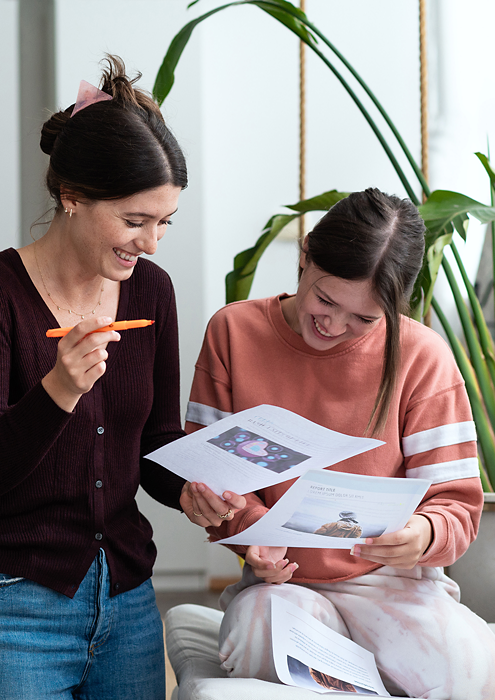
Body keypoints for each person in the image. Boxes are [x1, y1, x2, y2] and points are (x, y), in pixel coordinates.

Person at [0, 55, 217, 700]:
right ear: (73, 197)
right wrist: (59, 390)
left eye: (164, 221)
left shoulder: (151, 291)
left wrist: (192, 491)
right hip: (4, 599)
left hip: (124, 599)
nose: (150, 243)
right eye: (134, 221)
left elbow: (153, 444)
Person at [182, 188, 495, 699]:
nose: (333, 324)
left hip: (392, 584)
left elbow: (457, 506)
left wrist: (421, 534)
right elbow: (213, 479)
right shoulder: (233, 332)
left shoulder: (423, 357)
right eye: (326, 299)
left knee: (470, 669)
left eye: (365, 319)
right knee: (255, 638)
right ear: (304, 256)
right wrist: (246, 533)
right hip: (280, 587)